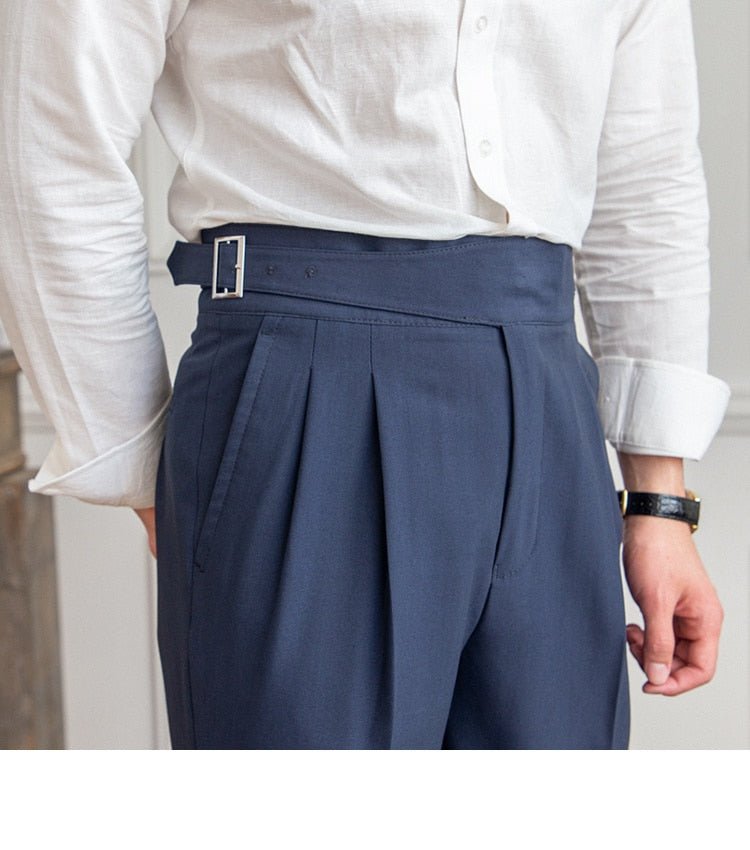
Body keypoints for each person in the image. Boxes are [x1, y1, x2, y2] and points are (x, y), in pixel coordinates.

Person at [0, 1, 730, 749]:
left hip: (550, 404)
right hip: (306, 389)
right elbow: (55, 142)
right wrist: (140, 466)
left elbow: (647, 176)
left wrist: (660, 502)